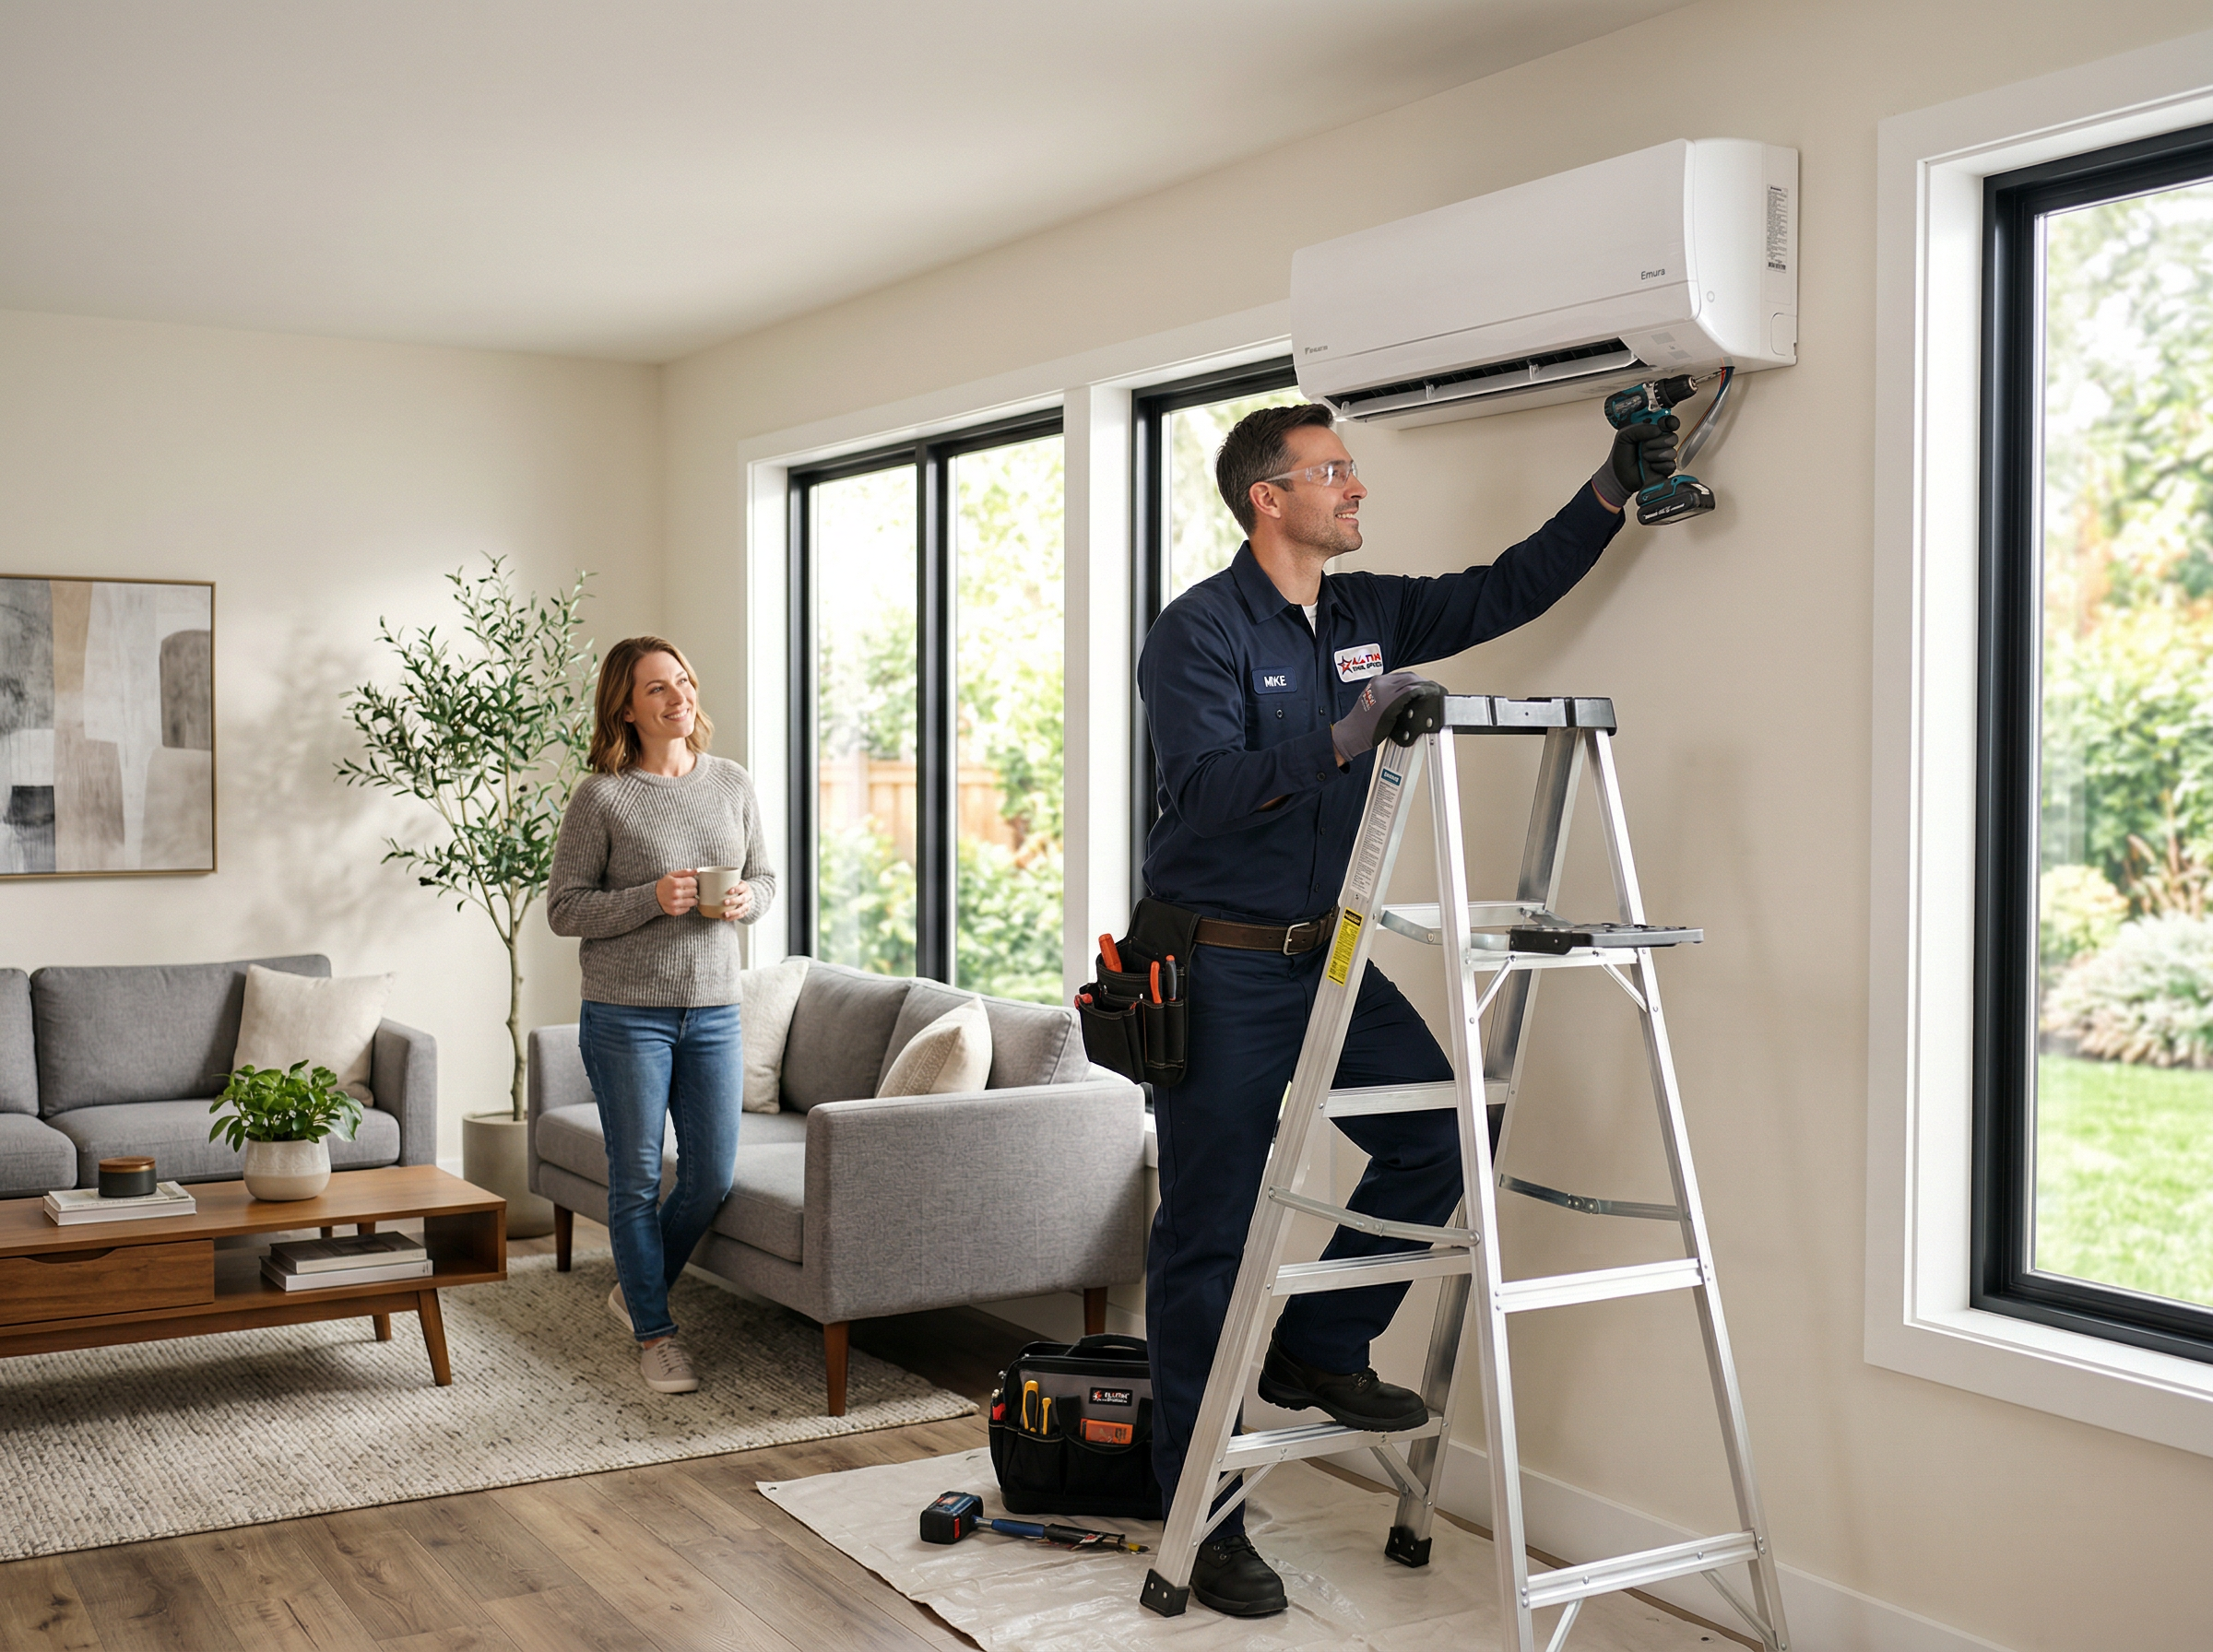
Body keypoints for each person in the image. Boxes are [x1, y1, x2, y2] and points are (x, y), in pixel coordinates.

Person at [1136, 400, 1675, 1615]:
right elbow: (1209, 791)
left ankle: (1324, 1344)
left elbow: (1505, 590)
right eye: (1333, 473)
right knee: (1209, 1237)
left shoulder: (1369, 613)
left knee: (1445, 1128)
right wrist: (1348, 736)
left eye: (1352, 470)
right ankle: (1202, 1519)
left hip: (1326, 957)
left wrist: (1609, 490)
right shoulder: (1199, 633)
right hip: (1219, 965)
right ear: (1267, 497)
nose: (1357, 489)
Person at [547, 635, 776, 1395]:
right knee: (637, 1179)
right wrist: (652, 898)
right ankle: (655, 1332)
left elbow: (767, 877)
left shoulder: (732, 782)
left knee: (709, 1177)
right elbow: (564, 909)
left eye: (682, 680)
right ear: (626, 706)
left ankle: (634, 1290)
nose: (678, 696)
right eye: (656, 688)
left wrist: (749, 901)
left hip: (715, 1009)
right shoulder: (602, 797)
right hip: (625, 1016)